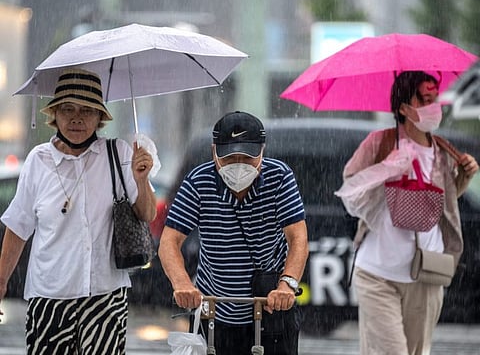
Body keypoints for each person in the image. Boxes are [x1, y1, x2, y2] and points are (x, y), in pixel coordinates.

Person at [0, 68, 157, 354]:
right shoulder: (38, 160)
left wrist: (141, 180)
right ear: (55, 115)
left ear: (99, 118)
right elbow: (18, 227)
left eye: (87, 110)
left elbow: (147, 214)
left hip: (105, 297)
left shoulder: (119, 153)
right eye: (67, 109)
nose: (76, 118)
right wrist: (0, 281)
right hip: (49, 298)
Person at [337, 71, 479, 355]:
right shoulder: (380, 143)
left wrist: (463, 177)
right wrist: (388, 168)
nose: (433, 107)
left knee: (417, 352)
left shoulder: (442, 150)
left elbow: (438, 206)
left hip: (426, 272)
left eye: (435, 99)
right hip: (377, 274)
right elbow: (351, 192)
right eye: (424, 100)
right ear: (403, 108)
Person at [159, 111, 309, 354]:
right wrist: (182, 285)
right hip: (213, 310)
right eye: (229, 158)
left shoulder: (279, 177)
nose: (239, 165)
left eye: (247, 157)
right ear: (214, 152)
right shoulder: (198, 182)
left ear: (262, 151)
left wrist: (287, 285)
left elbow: (298, 237)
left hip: (269, 307)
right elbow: (169, 241)